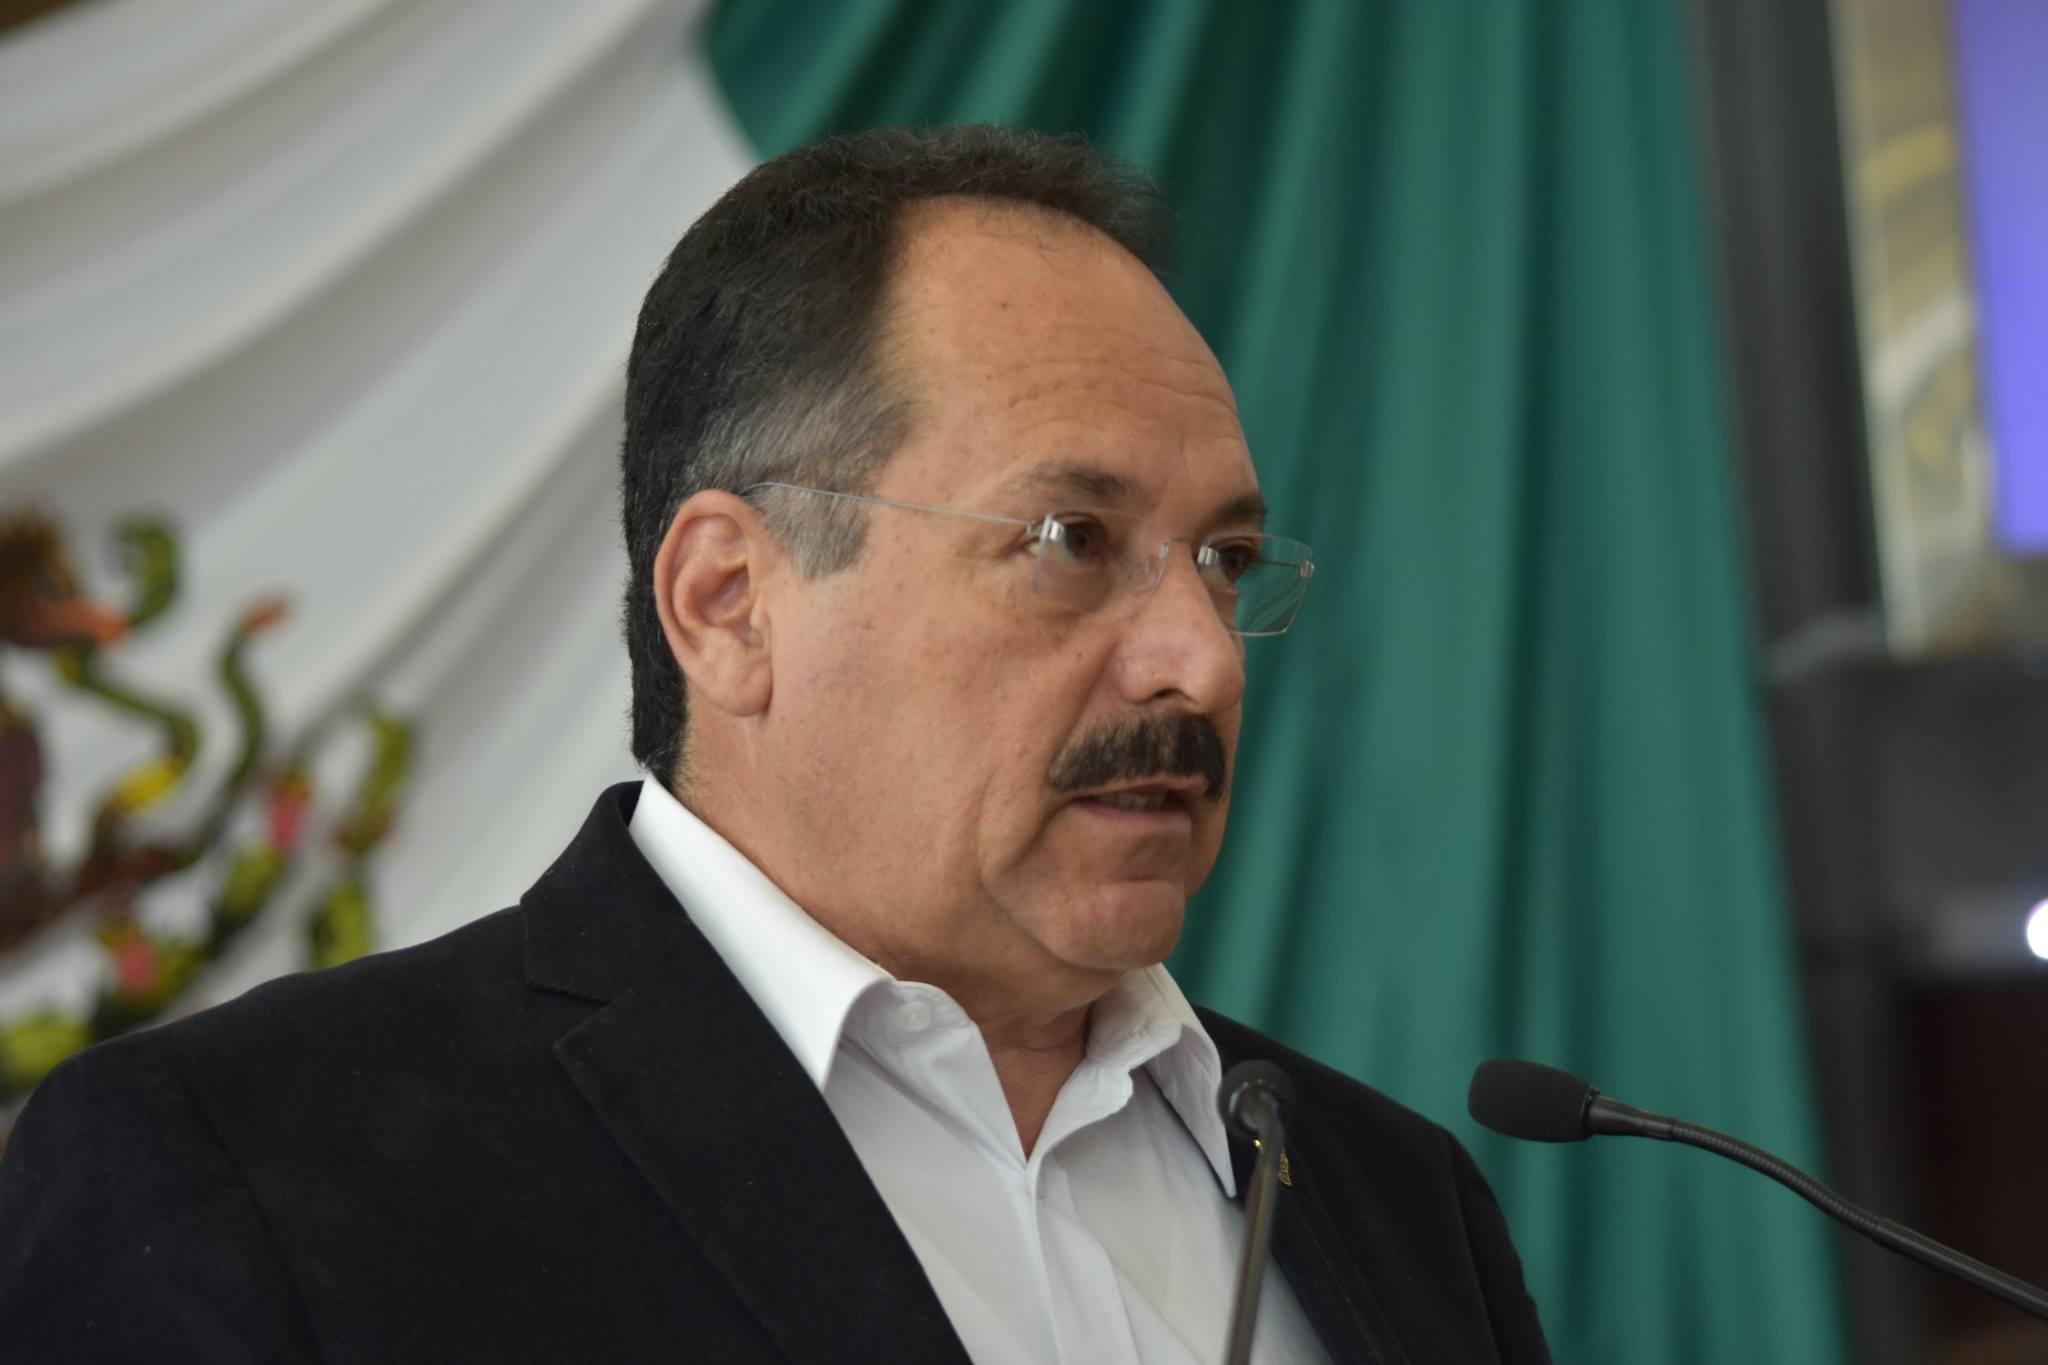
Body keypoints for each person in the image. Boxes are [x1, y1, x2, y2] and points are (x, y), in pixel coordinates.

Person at [0, 126, 1549, 1364]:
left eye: (1224, 559)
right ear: (730, 605)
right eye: (1072, 540)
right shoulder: (245, 1170)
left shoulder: (1392, 1197)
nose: (1200, 660)